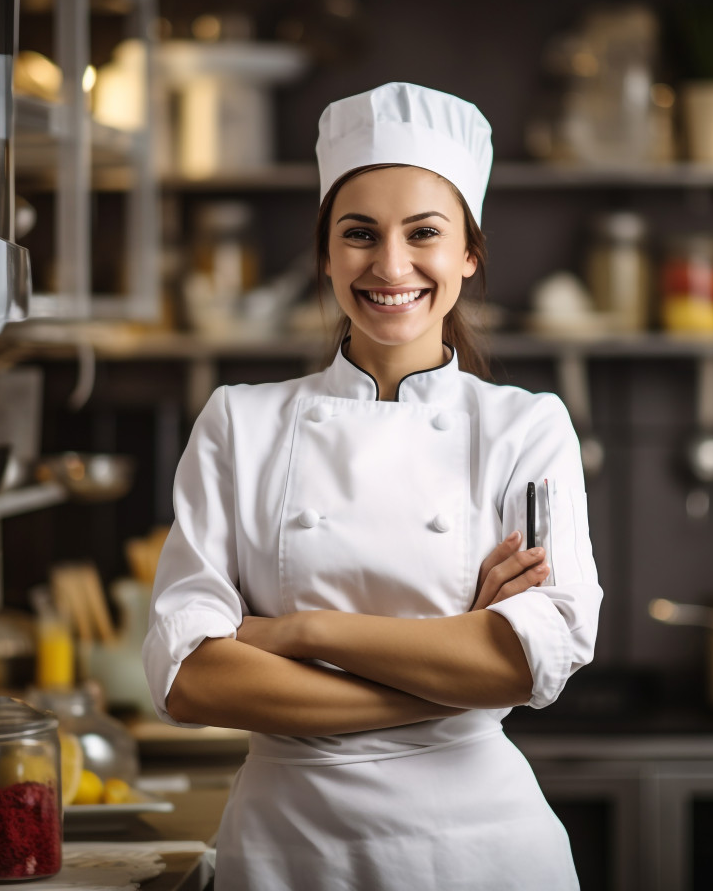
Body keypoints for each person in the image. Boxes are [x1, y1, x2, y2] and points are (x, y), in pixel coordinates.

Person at [143, 82, 603, 890]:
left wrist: (298, 633)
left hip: (483, 850)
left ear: (468, 252)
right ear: (325, 254)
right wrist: (456, 672)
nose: (391, 266)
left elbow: (539, 654)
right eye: (359, 234)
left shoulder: (526, 428)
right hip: (291, 849)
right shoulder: (238, 424)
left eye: (424, 233)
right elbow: (188, 677)